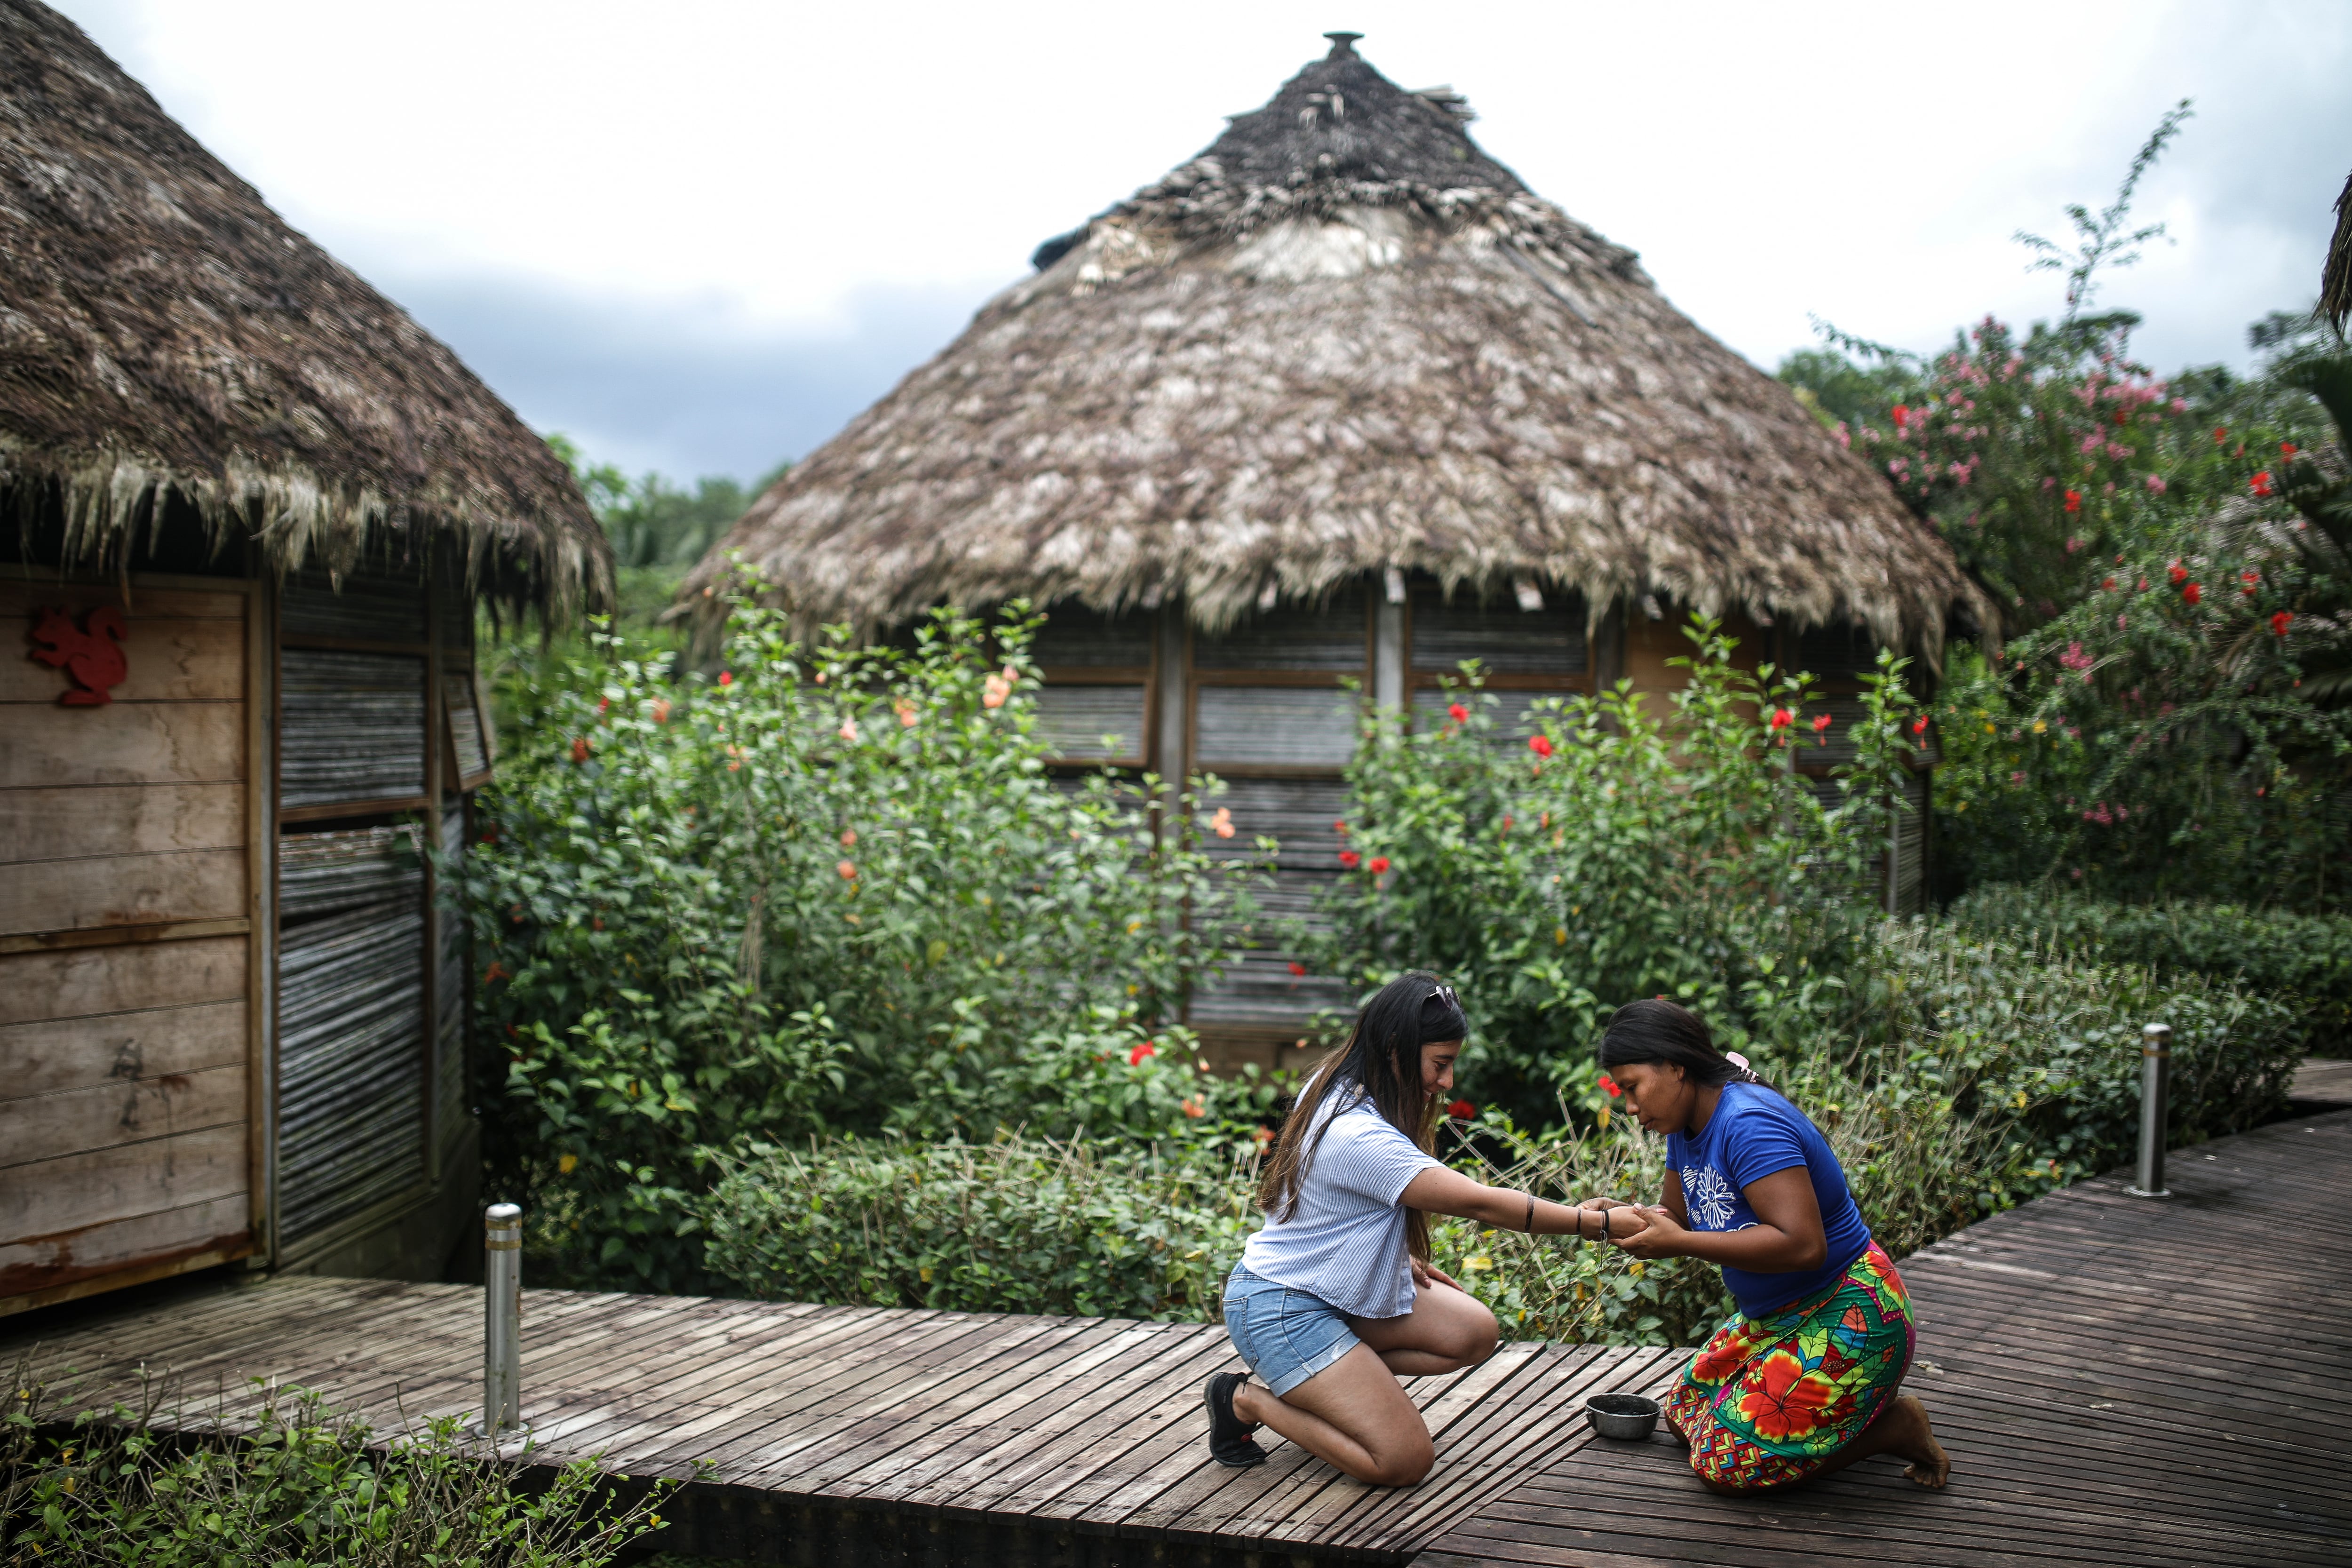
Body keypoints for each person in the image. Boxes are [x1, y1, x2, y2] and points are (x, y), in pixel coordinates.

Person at [1203, 972, 1646, 1485]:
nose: (1446, 1082)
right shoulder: (1354, 1131)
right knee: (1402, 1461)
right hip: (1279, 1308)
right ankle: (1245, 1399)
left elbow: (1324, 1207)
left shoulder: (1342, 1083)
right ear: (1395, 1049)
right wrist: (1596, 1224)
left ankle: (1334, 1383)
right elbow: (1482, 1204)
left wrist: (1383, 1254)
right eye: (1441, 1063)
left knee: (1472, 1332)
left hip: (1321, 1292)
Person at [1593, 997, 1951, 1492]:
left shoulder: (1747, 1123)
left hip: (1848, 1311)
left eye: (1631, 1088)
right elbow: (1676, 1217)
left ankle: (1894, 1428)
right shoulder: (1685, 1125)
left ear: (1674, 1067)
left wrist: (1683, 1244)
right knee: (1682, 1418)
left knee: (1725, 1468)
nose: (1630, 1108)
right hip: (1776, 1318)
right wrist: (1616, 1217)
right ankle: (1834, 1420)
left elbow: (1803, 1246)